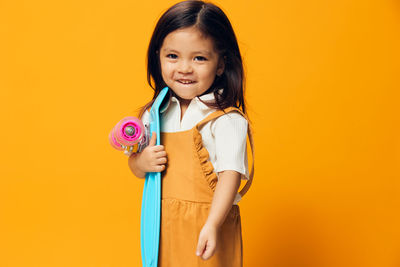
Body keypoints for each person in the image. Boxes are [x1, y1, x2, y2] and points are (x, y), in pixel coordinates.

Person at [128, 1, 254, 266]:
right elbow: (137, 165)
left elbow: (230, 175)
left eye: (199, 58)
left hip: (207, 226)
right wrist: (141, 162)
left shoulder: (226, 118)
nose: (184, 68)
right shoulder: (156, 113)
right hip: (162, 225)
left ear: (221, 64)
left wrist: (212, 224)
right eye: (172, 56)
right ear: (157, 56)